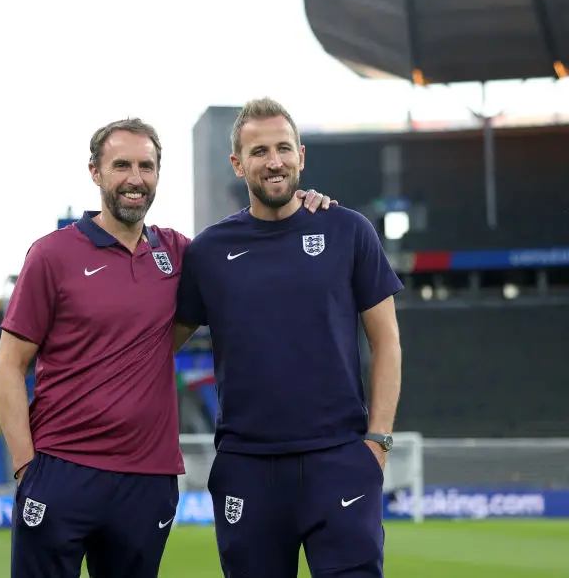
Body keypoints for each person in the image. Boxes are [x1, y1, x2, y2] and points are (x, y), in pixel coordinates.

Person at [0, 116, 335, 578]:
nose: (135, 179)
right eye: (122, 166)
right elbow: (8, 367)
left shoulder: (178, 254)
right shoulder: (52, 255)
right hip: (61, 470)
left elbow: (254, 250)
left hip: (148, 479)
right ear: (95, 172)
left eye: (146, 166)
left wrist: (300, 206)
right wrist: (24, 468)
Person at [172, 97, 403, 578]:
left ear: (301, 155)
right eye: (259, 152)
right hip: (246, 466)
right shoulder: (210, 250)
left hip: (339, 458)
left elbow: (387, 343)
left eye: (282, 148)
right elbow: (159, 346)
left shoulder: (348, 230)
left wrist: (377, 442)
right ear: (238, 164)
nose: (273, 161)